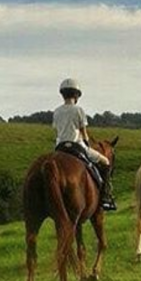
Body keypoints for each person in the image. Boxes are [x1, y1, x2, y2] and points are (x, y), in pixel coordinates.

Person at [52, 78, 116, 211]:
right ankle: (105, 198)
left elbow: (57, 130)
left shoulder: (56, 111)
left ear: (62, 94)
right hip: (77, 146)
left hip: (59, 148)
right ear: (76, 95)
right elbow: (83, 132)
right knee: (105, 162)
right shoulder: (79, 110)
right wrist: (87, 142)